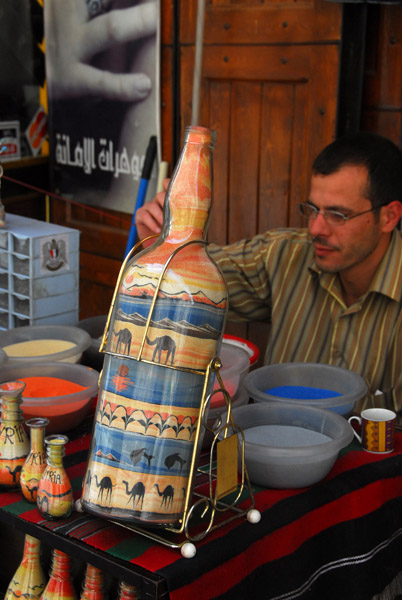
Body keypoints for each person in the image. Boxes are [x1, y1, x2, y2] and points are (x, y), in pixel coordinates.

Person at [135, 132, 402, 413]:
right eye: (312, 209)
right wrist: (162, 245)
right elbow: (194, 283)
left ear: (389, 217)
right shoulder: (284, 255)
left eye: (338, 215)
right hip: (270, 446)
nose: (316, 229)